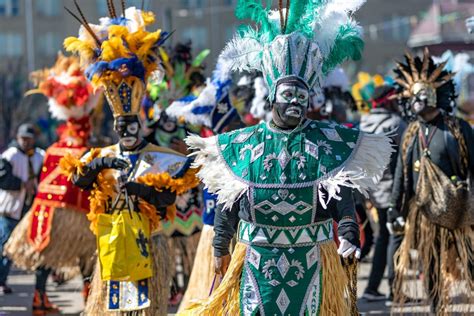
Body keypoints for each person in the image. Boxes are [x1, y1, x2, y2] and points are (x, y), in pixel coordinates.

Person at [181, 1, 393, 314]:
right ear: (272, 95)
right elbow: (229, 200)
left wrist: (349, 233)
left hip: (312, 258)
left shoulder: (326, 141)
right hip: (256, 259)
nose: (295, 101)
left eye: (301, 95)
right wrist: (220, 245)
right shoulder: (243, 143)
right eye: (288, 94)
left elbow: (342, 198)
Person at [62, 3, 199, 314]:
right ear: (114, 126)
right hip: (112, 245)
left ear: (141, 125)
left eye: (132, 124)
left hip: (148, 245)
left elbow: (168, 197)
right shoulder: (103, 155)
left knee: (146, 309)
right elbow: (78, 181)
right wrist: (99, 165)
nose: (127, 130)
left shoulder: (158, 157)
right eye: (121, 125)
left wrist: (139, 191)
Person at [4, 53, 101, 310]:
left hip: (51, 213)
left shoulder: (54, 150)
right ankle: (76, 296)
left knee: (49, 258)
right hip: (73, 215)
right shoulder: (81, 152)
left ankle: (44, 297)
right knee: (76, 257)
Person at [390, 48, 474, 313]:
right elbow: (401, 176)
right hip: (424, 216)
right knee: (430, 264)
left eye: (422, 94)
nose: (416, 100)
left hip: (460, 214)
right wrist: (395, 208)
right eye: (413, 95)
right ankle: (438, 308)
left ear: (436, 95)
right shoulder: (411, 132)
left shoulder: (457, 129)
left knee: (470, 263)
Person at [166, 58, 244, 311]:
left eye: (237, 127)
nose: (236, 131)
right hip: (214, 228)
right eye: (232, 127)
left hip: (240, 232)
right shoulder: (208, 150)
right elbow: (179, 175)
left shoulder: (243, 147)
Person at [359, 84, 407, 301]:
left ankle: (371, 289)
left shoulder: (364, 122)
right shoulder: (396, 123)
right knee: (395, 238)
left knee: (384, 238)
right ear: (389, 100)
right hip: (393, 192)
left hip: (373, 191)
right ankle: (395, 291)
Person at [0, 124, 45, 298]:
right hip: (9, 211)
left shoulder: (40, 156)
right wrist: (21, 184)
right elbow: (2, 178)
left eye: (29, 139)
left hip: (29, 210)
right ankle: (1, 281)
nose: (26, 142)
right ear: (18, 138)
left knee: (17, 249)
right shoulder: (9, 155)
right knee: (5, 247)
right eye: (23, 138)